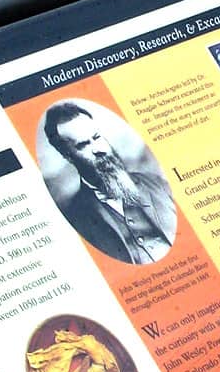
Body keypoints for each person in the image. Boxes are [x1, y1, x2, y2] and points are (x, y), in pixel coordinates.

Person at [39, 101, 177, 264]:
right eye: (83, 145)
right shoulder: (74, 217)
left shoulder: (158, 184)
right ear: (67, 156)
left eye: (97, 137)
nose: (99, 149)